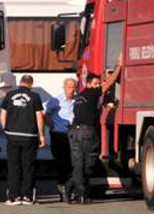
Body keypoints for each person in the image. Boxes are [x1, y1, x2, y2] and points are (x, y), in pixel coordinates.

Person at [65, 55, 123, 204]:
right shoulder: (92, 93)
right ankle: (80, 193)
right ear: (89, 84)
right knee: (87, 164)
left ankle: (72, 187)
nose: (98, 85)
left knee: (80, 164)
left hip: (75, 132)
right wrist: (119, 67)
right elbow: (109, 84)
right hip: (85, 133)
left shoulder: (81, 95)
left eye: (98, 83)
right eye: (96, 83)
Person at [0, 74, 45, 206]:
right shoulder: (35, 97)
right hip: (29, 136)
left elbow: (3, 113)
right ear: (31, 83)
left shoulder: (9, 95)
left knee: (13, 166)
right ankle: (27, 197)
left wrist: (5, 128)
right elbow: (39, 117)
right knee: (28, 166)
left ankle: (13, 196)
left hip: (12, 135)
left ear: (20, 82)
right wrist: (41, 135)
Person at [45, 77, 76, 202]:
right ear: (64, 88)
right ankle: (61, 187)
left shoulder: (77, 100)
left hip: (72, 135)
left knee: (71, 163)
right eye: (69, 87)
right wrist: (50, 124)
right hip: (58, 134)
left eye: (73, 87)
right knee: (60, 162)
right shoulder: (55, 100)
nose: (71, 90)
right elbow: (45, 113)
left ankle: (67, 189)